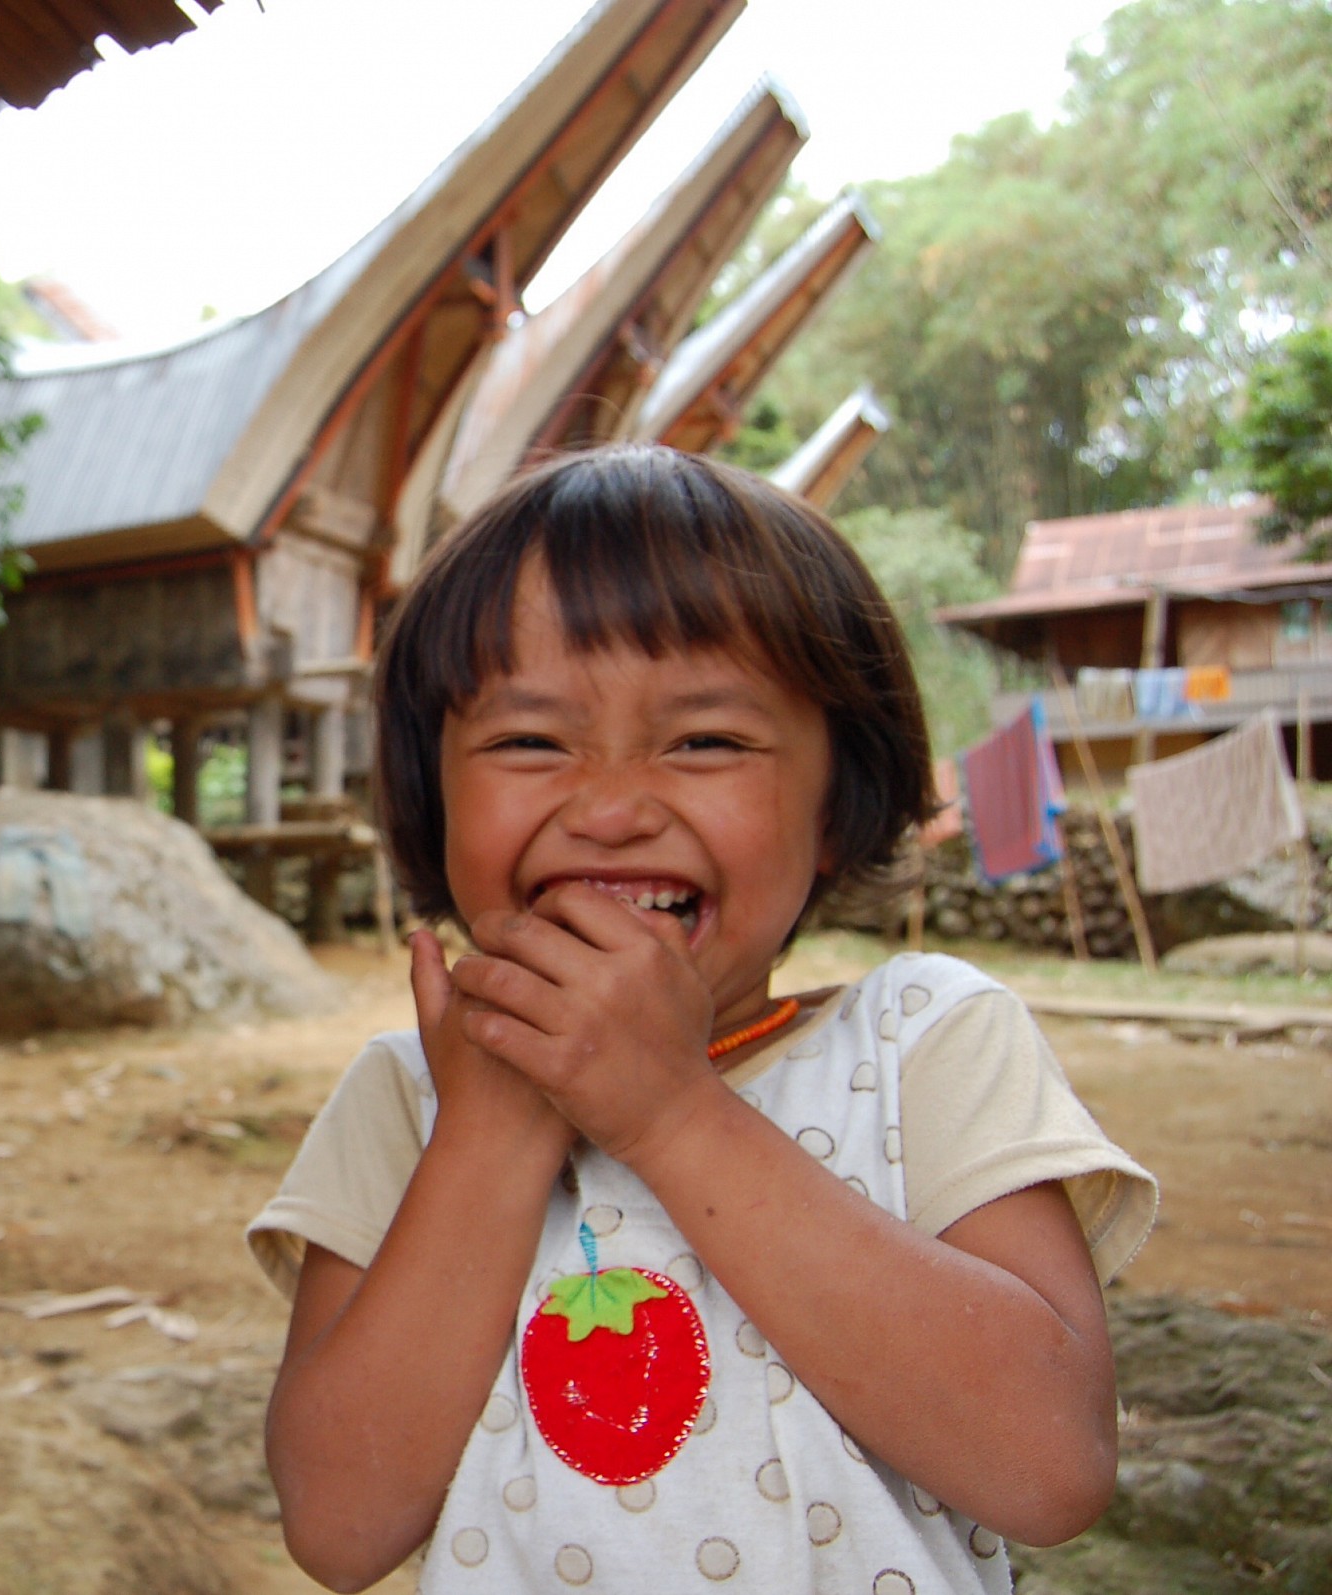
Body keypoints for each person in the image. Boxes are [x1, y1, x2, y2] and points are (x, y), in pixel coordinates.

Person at [249, 446, 1156, 1594]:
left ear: (838, 805)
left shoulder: (928, 1042)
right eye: (530, 739)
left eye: (707, 740)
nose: (614, 807)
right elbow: (337, 1523)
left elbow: (1048, 1467)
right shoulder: (410, 1097)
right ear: (436, 802)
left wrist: (670, 1109)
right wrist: (493, 1132)